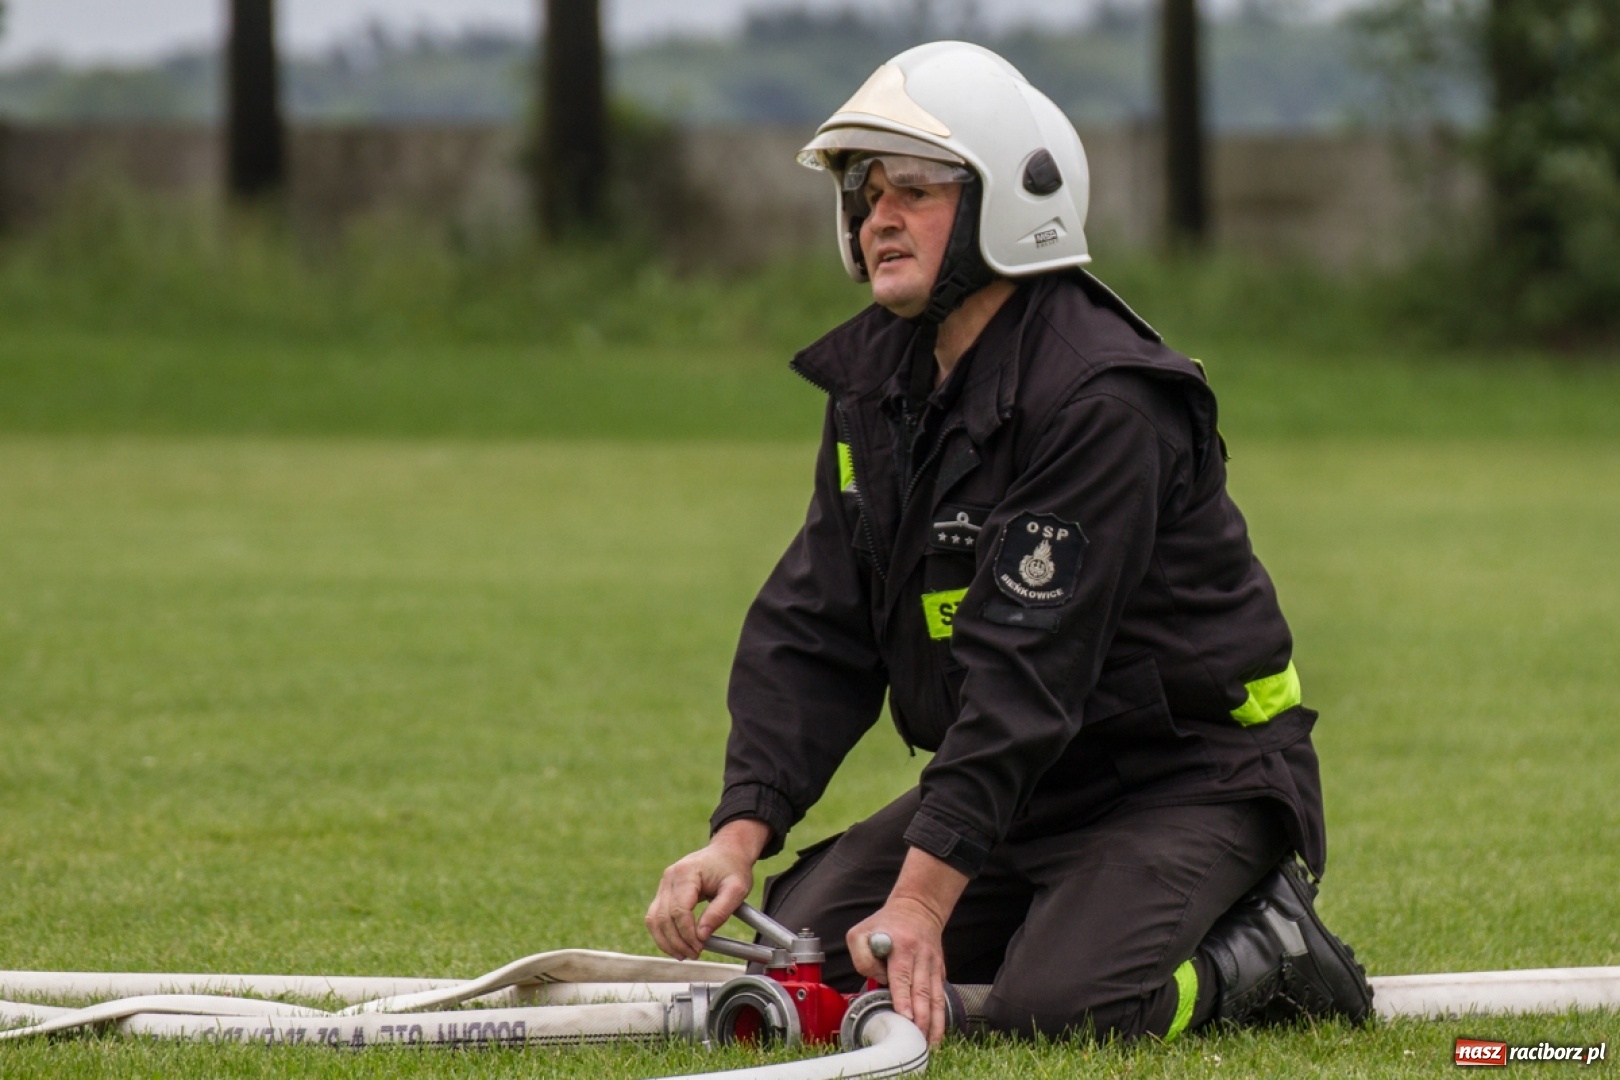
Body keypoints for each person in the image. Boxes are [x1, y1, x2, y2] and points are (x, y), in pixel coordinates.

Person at [645, 41, 1372, 1046]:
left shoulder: (1101, 399)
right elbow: (817, 627)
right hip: (1031, 782)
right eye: (867, 193)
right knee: (815, 955)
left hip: (1187, 778)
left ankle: (1268, 949)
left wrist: (924, 898)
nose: (878, 217)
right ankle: (1058, 914)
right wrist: (739, 833)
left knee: (1064, 1008)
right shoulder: (877, 389)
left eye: (915, 191)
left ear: (1011, 201)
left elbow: (1029, 673)